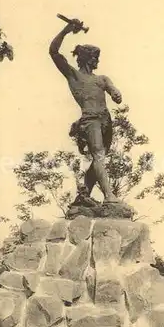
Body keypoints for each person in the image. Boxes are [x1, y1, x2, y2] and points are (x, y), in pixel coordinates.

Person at [49, 18, 122, 204]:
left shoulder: (102, 79)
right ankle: (109, 196)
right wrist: (66, 29)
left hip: (106, 121)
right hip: (90, 121)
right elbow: (54, 52)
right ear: (86, 58)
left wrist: (115, 93)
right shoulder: (74, 76)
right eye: (95, 57)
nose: (97, 61)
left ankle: (84, 195)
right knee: (98, 155)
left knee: (100, 156)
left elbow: (112, 87)